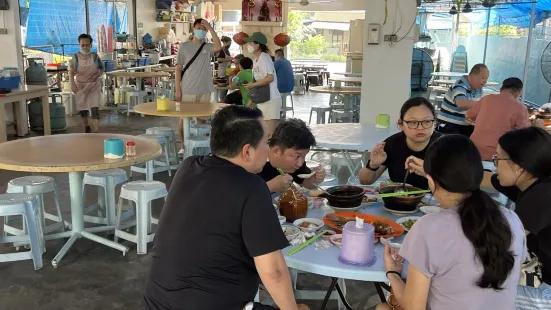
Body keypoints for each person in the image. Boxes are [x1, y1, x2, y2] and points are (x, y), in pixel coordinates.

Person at [143, 105, 308, 310]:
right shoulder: (251, 186)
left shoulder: (189, 166)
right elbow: (273, 271)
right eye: (266, 142)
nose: (268, 148)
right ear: (247, 151)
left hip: (157, 303)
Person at [376, 134, 525, 310]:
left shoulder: (428, 228)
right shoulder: (511, 218)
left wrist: (392, 272)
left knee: (382, 308)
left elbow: (413, 307)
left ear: (430, 180)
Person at [475, 127, 551, 309]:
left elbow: (503, 243)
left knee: (471, 292)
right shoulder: (532, 181)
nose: (494, 164)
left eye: (498, 158)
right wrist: (432, 170)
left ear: (518, 165)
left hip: (546, 291)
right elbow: (483, 178)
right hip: (537, 275)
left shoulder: (541, 195)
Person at [359, 97, 441, 190]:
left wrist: (430, 173)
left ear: (434, 123)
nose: (420, 127)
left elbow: (458, 188)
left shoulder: (447, 145)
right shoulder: (392, 143)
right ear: (400, 124)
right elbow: (364, 181)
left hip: (437, 202)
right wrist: (373, 165)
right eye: (413, 122)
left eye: (426, 121)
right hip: (399, 200)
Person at [176, 18, 221, 154]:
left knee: (202, 119)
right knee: (184, 119)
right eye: (199, 28)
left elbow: (218, 47)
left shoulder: (207, 47)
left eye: (204, 29)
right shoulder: (184, 47)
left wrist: (210, 28)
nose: (201, 31)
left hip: (205, 89)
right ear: (193, 29)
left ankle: (198, 148)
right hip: (188, 89)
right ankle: (183, 146)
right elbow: (178, 68)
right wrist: (178, 89)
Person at [467, 77, 539, 161]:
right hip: (496, 154)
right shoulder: (520, 108)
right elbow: (525, 134)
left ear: (501, 89)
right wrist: (536, 125)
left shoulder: (486, 99)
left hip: (472, 149)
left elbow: (469, 115)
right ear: (517, 93)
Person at [257, 119, 325, 193]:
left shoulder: (296, 165)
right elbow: (244, 196)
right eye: (297, 156)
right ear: (276, 151)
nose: (300, 163)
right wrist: (269, 187)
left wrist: (313, 180)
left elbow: (304, 183)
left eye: (304, 156)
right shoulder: (255, 163)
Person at [244, 32, 282, 137]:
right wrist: (253, 99)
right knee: (265, 132)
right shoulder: (255, 60)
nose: (248, 46)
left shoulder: (264, 57)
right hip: (263, 98)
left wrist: (252, 85)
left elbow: (270, 78)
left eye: (251, 43)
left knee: (271, 134)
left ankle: (272, 152)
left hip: (271, 99)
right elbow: (258, 80)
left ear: (258, 45)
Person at [436, 64, 489, 136]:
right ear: (473, 76)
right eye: (483, 78)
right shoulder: (459, 85)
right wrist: (483, 104)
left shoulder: (479, 89)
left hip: (466, 125)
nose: (485, 81)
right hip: (449, 125)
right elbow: (461, 103)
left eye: (486, 79)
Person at [69, 33, 104, 133]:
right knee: (82, 109)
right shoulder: (75, 57)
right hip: (81, 86)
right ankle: (87, 126)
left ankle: (96, 132)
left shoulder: (95, 56)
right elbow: (71, 72)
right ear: (79, 45)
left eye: (87, 45)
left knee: (94, 109)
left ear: (91, 45)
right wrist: (72, 84)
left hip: (94, 86)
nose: (85, 47)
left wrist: (98, 75)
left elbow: (102, 68)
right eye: (82, 45)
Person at [274, 49, 295, 119]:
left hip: (281, 88)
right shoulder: (288, 62)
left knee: (270, 90)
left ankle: (276, 111)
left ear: (277, 55)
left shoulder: (277, 62)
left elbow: (271, 72)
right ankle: (281, 109)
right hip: (290, 87)